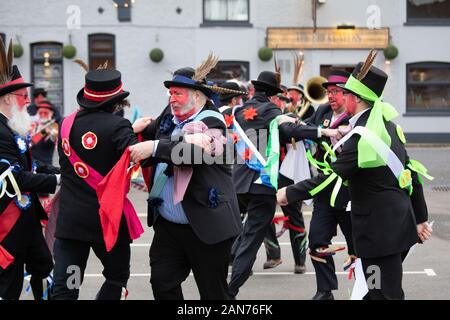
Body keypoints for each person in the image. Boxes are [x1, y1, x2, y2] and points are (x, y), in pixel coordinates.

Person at [277, 51, 433, 300]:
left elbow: (332, 177)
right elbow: (411, 173)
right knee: (378, 291)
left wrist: (288, 193)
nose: (340, 98)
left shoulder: (362, 135)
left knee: (383, 293)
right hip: (393, 227)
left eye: (346, 94)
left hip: (378, 233)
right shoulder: (387, 126)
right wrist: (420, 217)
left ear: (357, 99)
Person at [130, 57, 242, 300]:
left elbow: (191, 155)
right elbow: (146, 140)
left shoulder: (213, 121)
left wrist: (155, 146)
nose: (172, 98)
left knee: (214, 294)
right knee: (162, 283)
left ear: (197, 96)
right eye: (170, 93)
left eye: (178, 93)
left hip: (206, 225)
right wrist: (131, 129)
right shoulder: (169, 117)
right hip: (168, 227)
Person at [51, 67, 143, 300]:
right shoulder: (117, 126)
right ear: (117, 102)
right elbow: (136, 155)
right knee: (115, 276)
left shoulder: (65, 124)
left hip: (72, 223)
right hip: (106, 222)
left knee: (68, 283)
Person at [0, 39, 59, 300]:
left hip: (27, 221)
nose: (27, 102)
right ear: (7, 98)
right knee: (9, 285)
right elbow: (13, 176)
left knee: (44, 268)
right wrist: (54, 180)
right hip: (7, 224)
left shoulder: (12, 127)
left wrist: (62, 171)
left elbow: (30, 165)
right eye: (23, 96)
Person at [302, 70, 355, 300]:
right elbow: (302, 128)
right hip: (324, 190)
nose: (330, 96)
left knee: (361, 247)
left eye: (336, 92)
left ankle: (372, 290)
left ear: (348, 95)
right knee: (316, 241)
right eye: (329, 92)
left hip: (350, 192)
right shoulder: (323, 112)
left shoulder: (358, 118)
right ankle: (325, 291)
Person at [30, 100, 59, 165]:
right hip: (32, 164)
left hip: (45, 165)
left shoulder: (54, 126)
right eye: (40, 113)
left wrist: (45, 130)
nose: (42, 115)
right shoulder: (34, 125)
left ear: (51, 113)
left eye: (45, 113)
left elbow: (53, 138)